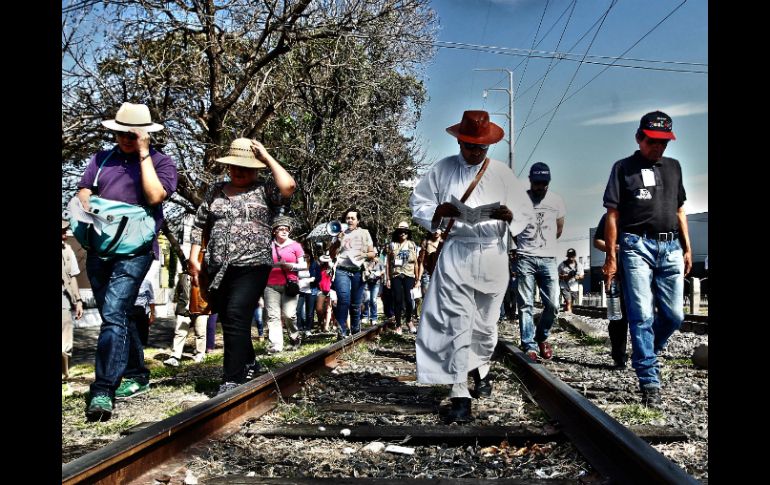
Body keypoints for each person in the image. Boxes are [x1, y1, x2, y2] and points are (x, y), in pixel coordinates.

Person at [410, 110, 533, 423]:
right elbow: (419, 203)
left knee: (486, 325)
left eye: (480, 148)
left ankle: (482, 370)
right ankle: (459, 391)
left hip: (492, 255)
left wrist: (510, 217)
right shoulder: (443, 169)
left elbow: (524, 213)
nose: (474, 152)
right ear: (460, 142)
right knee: (458, 322)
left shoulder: (503, 174)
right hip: (457, 253)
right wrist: (439, 212)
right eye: (469, 146)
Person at [78, 102, 178, 421]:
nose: (125, 138)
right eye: (120, 132)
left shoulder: (162, 163)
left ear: (146, 134)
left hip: (135, 251)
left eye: (132, 134)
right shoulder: (100, 159)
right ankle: (136, 372)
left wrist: (144, 154)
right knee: (122, 315)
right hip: (99, 248)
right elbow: (83, 190)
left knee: (113, 313)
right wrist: (89, 207)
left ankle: (104, 390)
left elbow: (154, 197)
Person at [189, 138, 296, 395]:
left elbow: (289, 186)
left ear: (256, 168)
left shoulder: (265, 189)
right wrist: (194, 257)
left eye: (246, 167)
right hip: (218, 266)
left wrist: (267, 156)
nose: (239, 171)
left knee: (237, 313)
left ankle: (232, 379)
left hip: (253, 265)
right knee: (229, 318)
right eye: (235, 167)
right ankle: (247, 362)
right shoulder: (216, 189)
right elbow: (199, 223)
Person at [602, 110, 692, 407]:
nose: (658, 147)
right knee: (641, 315)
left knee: (674, 316)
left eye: (664, 142)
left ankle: (647, 351)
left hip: (671, 247)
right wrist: (611, 259)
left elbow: (680, 211)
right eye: (653, 141)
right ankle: (649, 380)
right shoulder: (623, 168)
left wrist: (687, 248)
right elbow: (612, 214)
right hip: (635, 245)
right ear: (639, 137)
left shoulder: (674, 167)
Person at [515, 162, 565, 362]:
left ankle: (541, 336)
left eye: (544, 183)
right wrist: (522, 247)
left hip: (548, 258)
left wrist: (546, 245)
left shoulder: (556, 200)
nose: (540, 187)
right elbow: (513, 228)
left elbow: (559, 228)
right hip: (525, 257)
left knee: (553, 304)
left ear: (548, 182)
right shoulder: (520, 201)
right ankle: (529, 344)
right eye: (537, 183)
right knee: (525, 304)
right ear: (530, 181)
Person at [329, 208, 377, 338]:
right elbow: (331, 254)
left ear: (358, 221)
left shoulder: (364, 233)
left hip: (358, 271)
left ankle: (355, 329)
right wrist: (338, 241)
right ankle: (342, 330)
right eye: (348, 218)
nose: (350, 220)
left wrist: (364, 254)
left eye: (353, 218)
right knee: (343, 299)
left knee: (355, 303)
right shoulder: (339, 232)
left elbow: (372, 254)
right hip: (341, 270)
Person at [264, 216, 305, 353]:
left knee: (289, 315)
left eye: (286, 229)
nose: (284, 231)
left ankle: (294, 337)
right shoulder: (267, 246)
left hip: (290, 285)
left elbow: (304, 265)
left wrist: (290, 266)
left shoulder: (295, 246)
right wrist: (273, 265)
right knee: (273, 316)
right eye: (280, 229)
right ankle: (276, 345)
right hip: (270, 285)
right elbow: (261, 264)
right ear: (274, 231)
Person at [593, 214, 628, 368]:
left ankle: (644, 355)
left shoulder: (641, 212)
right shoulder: (609, 216)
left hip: (639, 272)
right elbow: (597, 241)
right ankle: (619, 357)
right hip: (615, 273)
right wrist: (614, 247)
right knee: (617, 317)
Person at [164, 266, 207, 366]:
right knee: (179, 333)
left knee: (200, 333)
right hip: (184, 309)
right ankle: (174, 357)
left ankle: (200, 354)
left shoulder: (204, 276)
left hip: (200, 308)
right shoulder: (183, 276)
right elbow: (178, 292)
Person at [385, 221, 418, 334]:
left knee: (409, 300)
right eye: (400, 231)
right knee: (398, 300)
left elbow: (416, 263)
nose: (403, 233)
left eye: (405, 231)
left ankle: (409, 320)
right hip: (396, 274)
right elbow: (388, 263)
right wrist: (388, 278)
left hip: (409, 274)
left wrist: (417, 279)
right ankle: (398, 324)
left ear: (408, 233)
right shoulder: (392, 244)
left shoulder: (412, 245)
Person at [62, 219, 84, 382]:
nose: (65, 236)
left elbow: (73, 277)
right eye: (62, 232)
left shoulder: (68, 250)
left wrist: (78, 300)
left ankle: (65, 373)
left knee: (65, 341)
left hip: (64, 300)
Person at [131, 276, 156, 346]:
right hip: (129, 310)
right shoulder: (127, 282)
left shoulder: (146, 283)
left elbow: (151, 299)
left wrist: (152, 314)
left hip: (141, 310)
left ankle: (141, 350)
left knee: (142, 335)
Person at [557, 248, 584, 313]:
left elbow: (582, 276)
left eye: (572, 256)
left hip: (574, 287)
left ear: (574, 256)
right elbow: (557, 275)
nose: (570, 258)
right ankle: (569, 317)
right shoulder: (562, 265)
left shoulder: (579, 265)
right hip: (564, 286)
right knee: (568, 302)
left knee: (570, 303)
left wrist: (578, 277)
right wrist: (565, 276)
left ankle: (565, 311)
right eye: (569, 256)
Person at [361, 253, 384, 325]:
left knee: (373, 300)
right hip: (367, 282)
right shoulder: (365, 261)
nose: (375, 257)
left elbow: (383, 270)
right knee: (366, 299)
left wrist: (379, 273)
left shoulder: (380, 261)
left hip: (376, 282)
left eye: (376, 255)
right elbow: (365, 270)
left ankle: (373, 317)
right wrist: (371, 266)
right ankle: (365, 316)